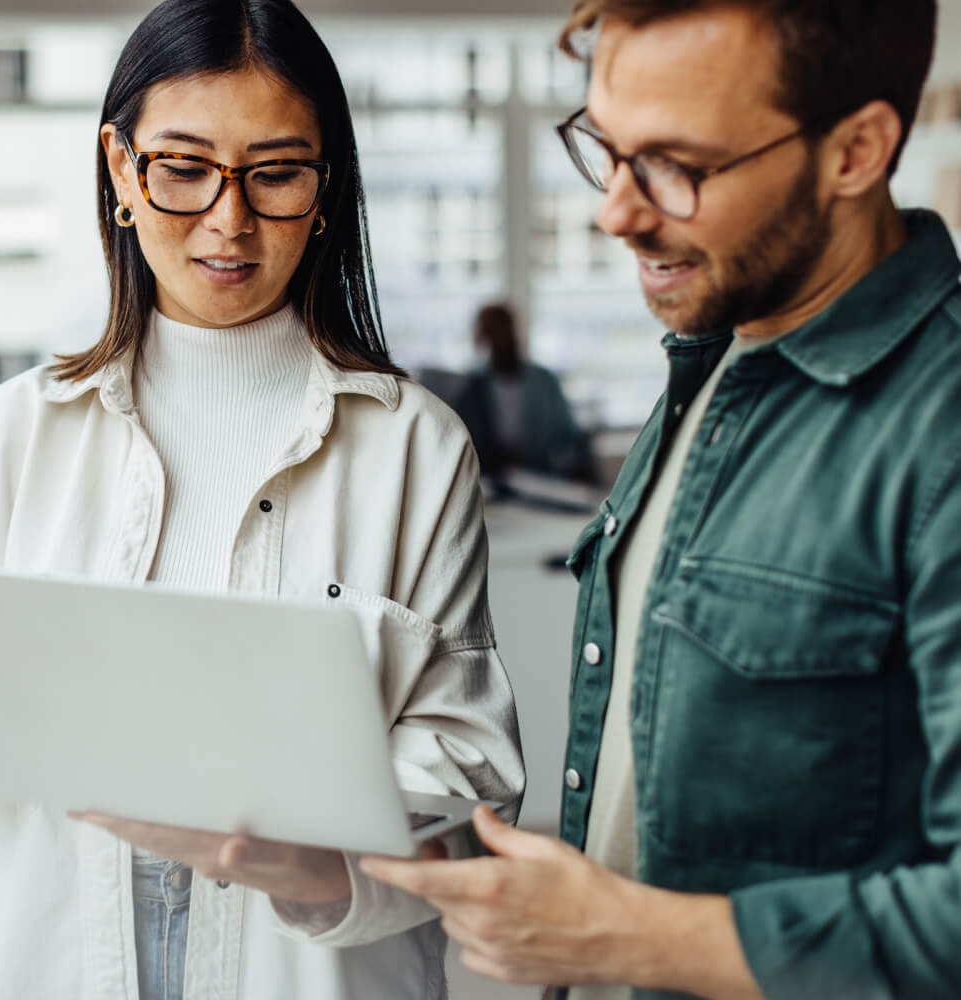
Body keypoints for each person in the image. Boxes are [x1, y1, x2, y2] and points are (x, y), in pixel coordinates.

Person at [0, 1, 525, 997]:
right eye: (183, 166)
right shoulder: (9, 437)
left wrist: (308, 863)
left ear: (326, 185)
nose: (227, 218)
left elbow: (465, 782)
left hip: (311, 965)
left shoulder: (414, 448)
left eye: (276, 172)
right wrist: (41, 669)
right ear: (120, 170)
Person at [361, 2, 961, 998]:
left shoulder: (936, 431)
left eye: (677, 165)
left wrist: (625, 940)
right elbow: (647, 815)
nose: (615, 211)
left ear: (854, 150)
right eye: (607, 147)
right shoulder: (717, 361)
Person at [457, 302, 594, 487]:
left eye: (503, 332)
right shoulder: (474, 384)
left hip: (542, 478)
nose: (499, 341)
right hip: (492, 482)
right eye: (492, 334)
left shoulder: (544, 381)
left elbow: (568, 435)